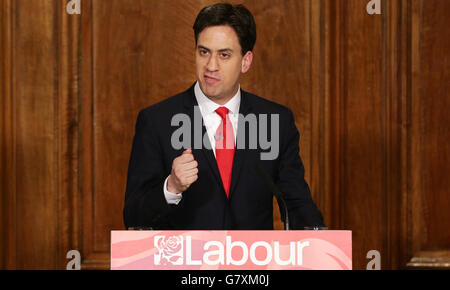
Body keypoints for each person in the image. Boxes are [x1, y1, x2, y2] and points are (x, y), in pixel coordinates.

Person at [123, 3, 324, 230]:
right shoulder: (157, 121)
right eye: (204, 52)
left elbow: (297, 204)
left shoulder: (276, 121)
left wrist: (321, 243)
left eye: (224, 55)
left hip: (253, 262)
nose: (211, 66)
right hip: (185, 264)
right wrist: (171, 187)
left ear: (245, 61)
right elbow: (133, 215)